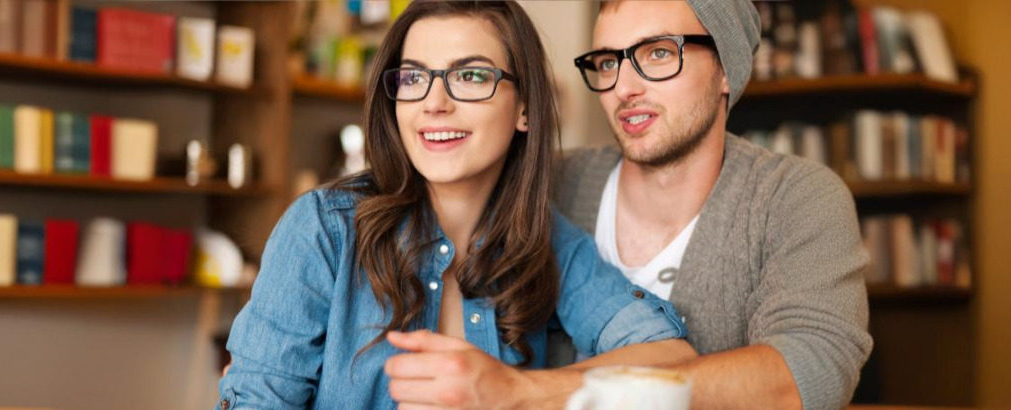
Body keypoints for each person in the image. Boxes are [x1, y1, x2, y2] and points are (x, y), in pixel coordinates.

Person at [383, 1, 873, 409]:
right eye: (609, 62)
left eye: (658, 53)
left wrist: (526, 394)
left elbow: (809, 371)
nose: (624, 87)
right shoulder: (542, 185)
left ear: (726, 69)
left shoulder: (796, 199)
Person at [215, 2, 695, 409]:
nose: (434, 103)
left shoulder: (545, 243)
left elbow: (669, 357)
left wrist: (515, 391)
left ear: (525, 106)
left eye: (470, 75)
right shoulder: (324, 230)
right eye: (413, 77)